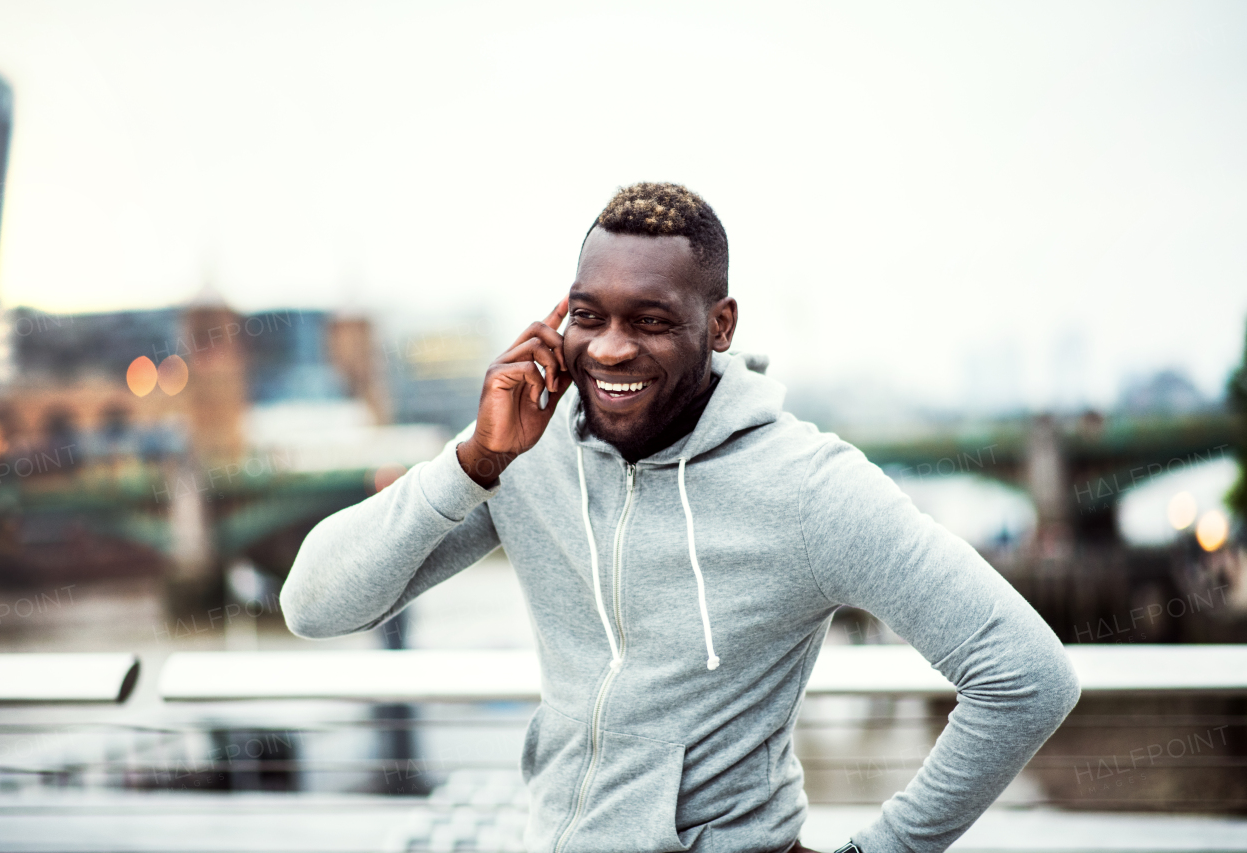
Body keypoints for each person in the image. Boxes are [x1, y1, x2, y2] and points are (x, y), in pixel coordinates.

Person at [281, 182, 1080, 853]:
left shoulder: (807, 485)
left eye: (652, 320)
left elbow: (1027, 678)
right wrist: (472, 464)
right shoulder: (525, 446)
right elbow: (313, 607)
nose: (611, 348)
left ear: (720, 325)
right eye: (588, 316)